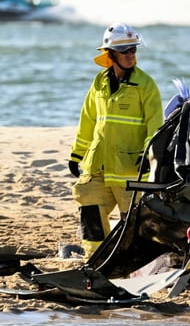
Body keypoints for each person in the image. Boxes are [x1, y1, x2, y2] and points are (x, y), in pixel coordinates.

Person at [68, 23, 163, 259]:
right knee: (90, 211)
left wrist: (148, 153)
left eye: (133, 50)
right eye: (125, 50)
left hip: (129, 169)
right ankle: (95, 259)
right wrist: (77, 154)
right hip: (97, 166)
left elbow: (155, 125)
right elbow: (88, 121)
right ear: (110, 54)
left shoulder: (146, 85)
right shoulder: (99, 82)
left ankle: (134, 264)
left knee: (134, 222)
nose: (131, 55)